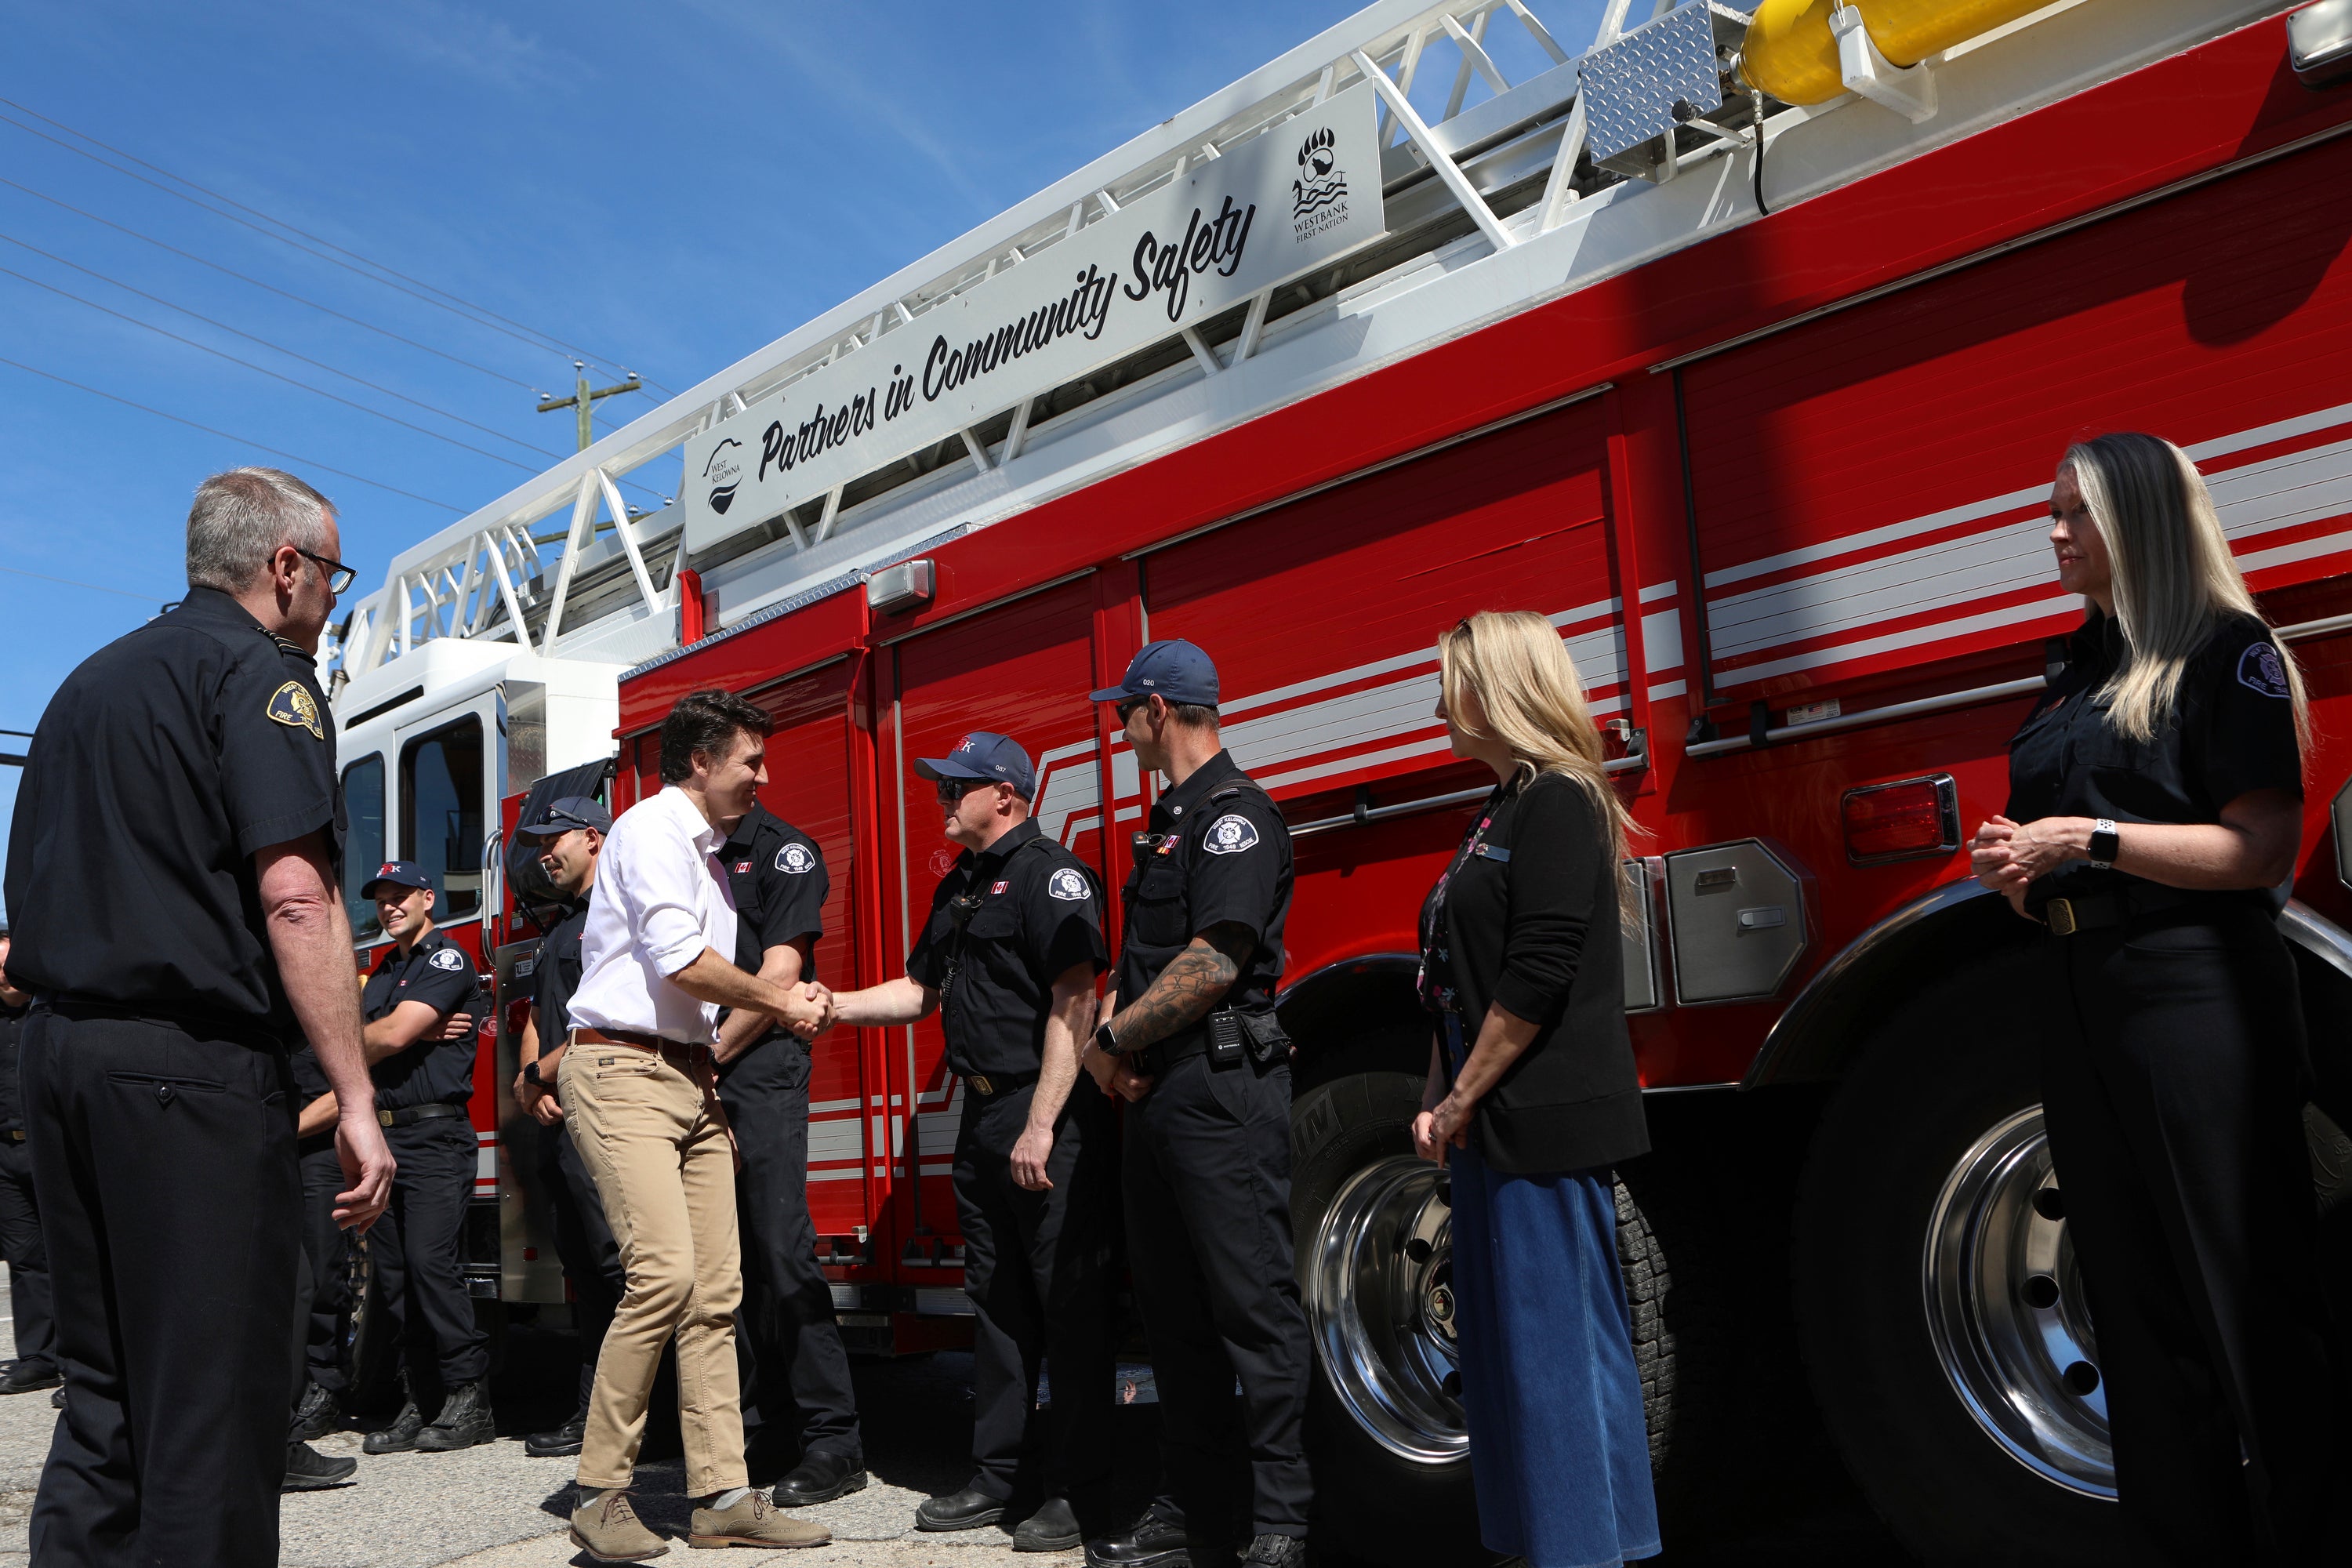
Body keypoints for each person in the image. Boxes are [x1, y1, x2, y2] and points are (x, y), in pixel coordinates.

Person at [2, 466, 395, 1566]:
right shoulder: (261, 675)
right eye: (329, 575)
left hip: (63, 1055)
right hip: (188, 1071)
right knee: (213, 1405)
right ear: (284, 567)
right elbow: (297, 895)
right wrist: (355, 1097)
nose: (329, 600)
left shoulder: (87, 684)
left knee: (106, 1394)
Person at [1970, 432, 2346, 1560]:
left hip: (2192, 998)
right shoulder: (2074, 664)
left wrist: (2087, 837)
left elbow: (2259, 850)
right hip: (2081, 988)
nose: (2052, 534)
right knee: (2132, 1316)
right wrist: (2018, 869)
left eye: (2073, 514)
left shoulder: (2225, 651)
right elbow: (2063, 835)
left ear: (2137, 520)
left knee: (2248, 1306)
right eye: (2051, 513)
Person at [561, 688, 836, 1562]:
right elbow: (683, 959)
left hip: (688, 1075)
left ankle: (720, 1494)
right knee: (665, 1276)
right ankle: (600, 1489)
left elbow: (702, 982)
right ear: (700, 762)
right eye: (750, 759)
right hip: (621, 1067)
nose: (764, 773)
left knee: (716, 1291)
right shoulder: (649, 832)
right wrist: (780, 996)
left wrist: (773, 1001)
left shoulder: (708, 854)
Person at [1410, 612, 1661, 1568]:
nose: (1438, 700)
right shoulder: (1500, 806)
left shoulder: (1558, 798)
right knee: (1515, 1352)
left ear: (1497, 687)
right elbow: (1452, 971)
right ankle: (1557, 1542)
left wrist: (1464, 1093)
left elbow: (1539, 969)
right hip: (1486, 1117)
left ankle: (1582, 1548)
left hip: (1537, 1118)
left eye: (1451, 679)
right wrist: (1442, 1086)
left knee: (1557, 1355)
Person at [831, 731, 1113, 1549]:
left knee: (1069, 1309)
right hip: (981, 1118)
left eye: (958, 785)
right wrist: (829, 1004)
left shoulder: (1048, 874)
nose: (942, 798)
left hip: (1040, 1115)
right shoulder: (963, 884)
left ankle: (1079, 1488)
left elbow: (1074, 999)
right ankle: (999, 1475)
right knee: (995, 1306)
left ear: (1007, 794)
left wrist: (1041, 1122)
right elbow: (919, 989)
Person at [1077, 642, 1310, 1568]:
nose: (1115, 722)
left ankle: (1284, 1520)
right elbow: (1143, 965)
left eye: (1123, 707)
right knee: (1173, 1315)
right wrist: (1119, 1043)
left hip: (1220, 1091)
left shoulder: (1233, 820)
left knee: (1253, 1307)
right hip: (1160, 1092)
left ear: (1159, 709)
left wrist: (1109, 1041)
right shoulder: (1170, 820)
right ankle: (1195, 1510)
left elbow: (1213, 961)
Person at [288, 861, 492, 1455]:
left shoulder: (446, 959)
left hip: (434, 1138)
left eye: (401, 896)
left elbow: (390, 1037)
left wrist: (396, 1031)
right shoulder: (381, 974)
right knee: (396, 1277)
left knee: (432, 1265)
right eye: (381, 900)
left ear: (429, 898)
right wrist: (387, 1033)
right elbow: (371, 1041)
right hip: (386, 1136)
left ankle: (468, 1396)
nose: (390, 906)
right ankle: (422, 1399)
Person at [711, 791, 867, 1501]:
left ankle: (833, 1440)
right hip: (695, 1067)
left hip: (757, 1066)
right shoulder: (687, 849)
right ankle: (756, 1430)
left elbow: (782, 973)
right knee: (723, 1261)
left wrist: (708, 1059)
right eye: (748, 759)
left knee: (780, 1247)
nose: (763, 775)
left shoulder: (784, 850)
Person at [510, 796, 628, 1460]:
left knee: (621, 1271)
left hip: (606, 1113)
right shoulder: (562, 926)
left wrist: (541, 1077)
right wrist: (530, 1080)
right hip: (558, 1120)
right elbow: (533, 1017)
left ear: (593, 835)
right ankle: (594, 1416)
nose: (542, 853)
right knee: (585, 1273)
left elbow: (610, 1017)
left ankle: (644, 1422)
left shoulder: (618, 912)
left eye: (552, 839)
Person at [0, 922, 57, 1399]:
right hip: (6, 1154)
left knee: (76, 1255)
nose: (4, 975)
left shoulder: (51, 1015)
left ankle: (87, 1357)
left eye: (8, 963)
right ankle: (39, 1357)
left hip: (51, 1147)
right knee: (25, 1259)